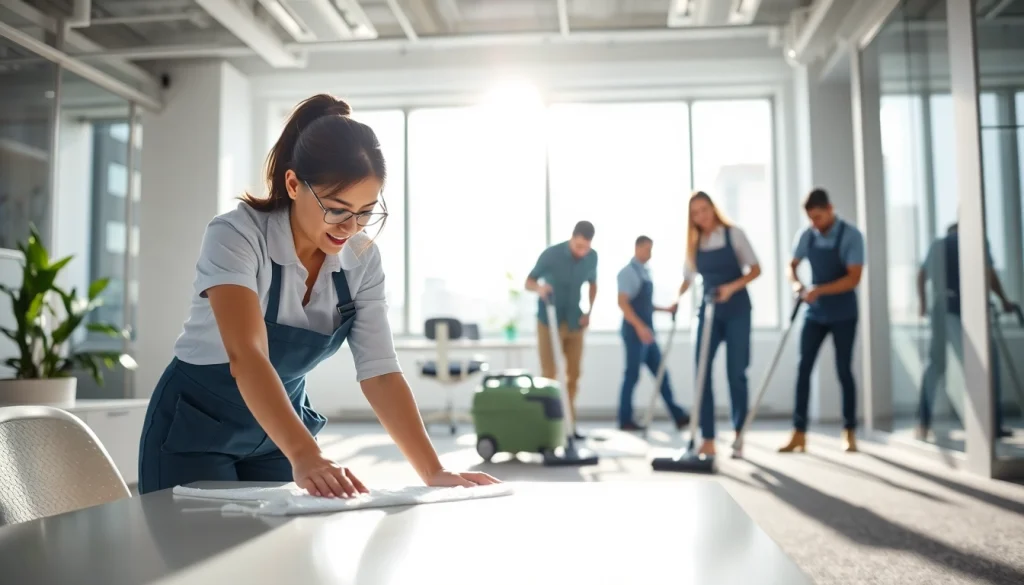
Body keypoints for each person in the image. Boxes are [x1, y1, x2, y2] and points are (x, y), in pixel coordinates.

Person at [137, 94, 498, 496]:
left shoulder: (362, 259)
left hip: (278, 433)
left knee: (274, 554)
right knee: (193, 554)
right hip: (195, 430)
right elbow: (247, 355)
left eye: (365, 211)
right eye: (337, 209)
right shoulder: (236, 236)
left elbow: (380, 372)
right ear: (293, 184)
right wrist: (306, 453)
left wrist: (432, 471)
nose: (351, 226)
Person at [677, 191, 761, 458]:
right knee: (701, 373)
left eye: (704, 209)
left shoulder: (733, 234)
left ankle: (738, 435)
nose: (701, 216)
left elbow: (755, 268)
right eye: (695, 213)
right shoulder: (693, 243)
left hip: (737, 310)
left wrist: (731, 288)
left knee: (736, 373)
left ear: (713, 208)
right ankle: (708, 437)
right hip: (708, 311)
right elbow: (688, 278)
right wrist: (674, 301)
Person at [780, 188, 864, 454]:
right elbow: (791, 265)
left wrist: (819, 290)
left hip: (844, 313)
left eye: (818, 217)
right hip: (815, 314)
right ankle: (799, 433)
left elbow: (853, 278)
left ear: (830, 209)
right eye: (810, 219)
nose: (814, 223)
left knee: (843, 369)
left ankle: (849, 431)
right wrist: (796, 285)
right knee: (803, 368)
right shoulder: (807, 234)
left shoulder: (851, 236)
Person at [916, 222, 1013, 440]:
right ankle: (992, 425)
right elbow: (989, 274)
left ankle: (923, 423)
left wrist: (922, 303)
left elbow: (921, 274)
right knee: (987, 364)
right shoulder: (975, 241)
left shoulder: (937, 245)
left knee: (935, 366)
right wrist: (1004, 300)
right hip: (963, 312)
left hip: (941, 310)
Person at [525, 221, 598, 439]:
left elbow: (594, 284)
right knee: (549, 374)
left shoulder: (592, 257)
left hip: (575, 322)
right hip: (549, 321)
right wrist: (540, 288)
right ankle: (547, 427)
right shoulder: (551, 254)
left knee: (573, 375)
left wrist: (589, 311)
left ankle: (569, 427)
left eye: (585, 247)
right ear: (571, 238)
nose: (581, 251)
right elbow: (528, 281)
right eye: (577, 246)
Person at [615, 235, 691, 432]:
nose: (650, 254)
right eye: (647, 249)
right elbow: (623, 302)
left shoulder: (645, 272)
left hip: (648, 334)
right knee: (631, 376)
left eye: (651, 249)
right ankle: (625, 420)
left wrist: (666, 310)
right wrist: (640, 328)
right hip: (635, 333)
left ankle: (678, 416)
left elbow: (645, 305)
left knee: (661, 374)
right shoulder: (628, 273)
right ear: (637, 247)